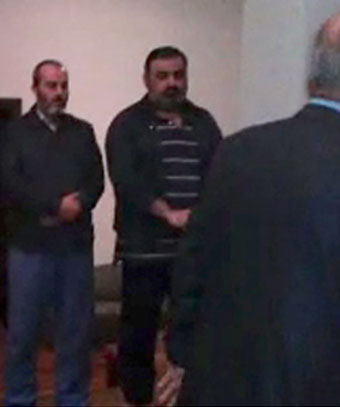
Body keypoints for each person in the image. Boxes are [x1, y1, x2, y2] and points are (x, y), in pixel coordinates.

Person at [166, 13, 340, 406]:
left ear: (312, 78)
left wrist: (181, 356)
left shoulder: (237, 150)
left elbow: (193, 263)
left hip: (225, 380)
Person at [105, 46, 222, 405]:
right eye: (163, 76)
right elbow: (126, 180)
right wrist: (168, 213)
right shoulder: (127, 124)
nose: (172, 83)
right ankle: (137, 399)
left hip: (193, 249)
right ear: (146, 80)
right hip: (144, 250)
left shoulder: (204, 123)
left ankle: (187, 396)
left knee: (194, 331)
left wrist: (201, 217)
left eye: (178, 75)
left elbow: (220, 175)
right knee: (138, 333)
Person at [0, 59, 104, 407]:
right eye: (51, 85)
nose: (59, 93)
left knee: (75, 332)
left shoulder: (83, 131)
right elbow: (10, 183)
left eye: (63, 85)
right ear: (35, 88)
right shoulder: (15, 132)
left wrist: (80, 202)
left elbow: (96, 180)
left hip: (74, 246)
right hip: (29, 247)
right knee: (23, 332)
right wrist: (54, 205)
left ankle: (72, 398)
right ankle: (20, 398)